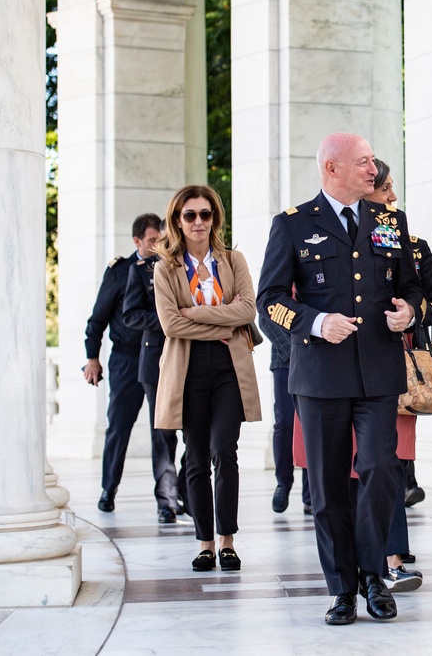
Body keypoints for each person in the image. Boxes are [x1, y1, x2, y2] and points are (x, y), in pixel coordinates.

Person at [257, 133, 423, 625]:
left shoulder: (390, 221)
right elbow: (269, 300)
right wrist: (313, 322)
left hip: (378, 372)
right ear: (332, 168)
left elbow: (412, 284)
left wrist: (409, 312)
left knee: (377, 469)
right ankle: (342, 589)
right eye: (364, 162)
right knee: (328, 486)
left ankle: (373, 574)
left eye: (373, 162)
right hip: (320, 376)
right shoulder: (291, 225)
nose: (373, 170)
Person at [152, 184, 261, 572]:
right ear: (177, 221)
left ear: (215, 218)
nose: (199, 222)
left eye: (206, 214)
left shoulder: (234, 260)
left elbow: (248, 309)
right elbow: (170, 323)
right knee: (196, 458)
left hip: (230, 368)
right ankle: (204, 543)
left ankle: (228, 541)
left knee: (223, 451)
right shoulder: (164, 267)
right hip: (188, 370)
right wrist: (220, 320)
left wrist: (195, 314)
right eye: (190, 215)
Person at [364, 157, 432, 592]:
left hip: (398, 372)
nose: (393, 197)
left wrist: (413, 314)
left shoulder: (413, 245)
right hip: (344, 371)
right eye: (385, 189)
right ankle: (364, 560)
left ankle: (394, 557)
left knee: (392, 464)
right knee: (354, 470)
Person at [84, 214, 160, 512]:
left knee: (164, 429)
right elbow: (97, 318)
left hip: (159, 356)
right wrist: (92, 357)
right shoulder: (119, 272)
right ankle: (108, 489)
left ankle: (168, 498)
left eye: (160, 240)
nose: (157, 245)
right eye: (152, 240)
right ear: (137, 241)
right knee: (119, 426)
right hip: (126, 359)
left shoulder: (170, 268)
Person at [121, 215, 185, 523]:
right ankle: (166, 501)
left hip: (191, 357)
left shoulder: (190, 266)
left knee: (202, 433)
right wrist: (169, 320)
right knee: (163, 434)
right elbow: (131, 315)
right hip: (157, 360)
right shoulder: (139, 271)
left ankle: (184, 487)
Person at [257, 299, 310, 514]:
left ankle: (311, 494)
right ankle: (283, 482)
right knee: (285, 422)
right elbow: (265, 317)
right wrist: (292, 352)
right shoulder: (280, 275)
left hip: (316, 358)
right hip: (284, 359)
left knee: (312, 424)